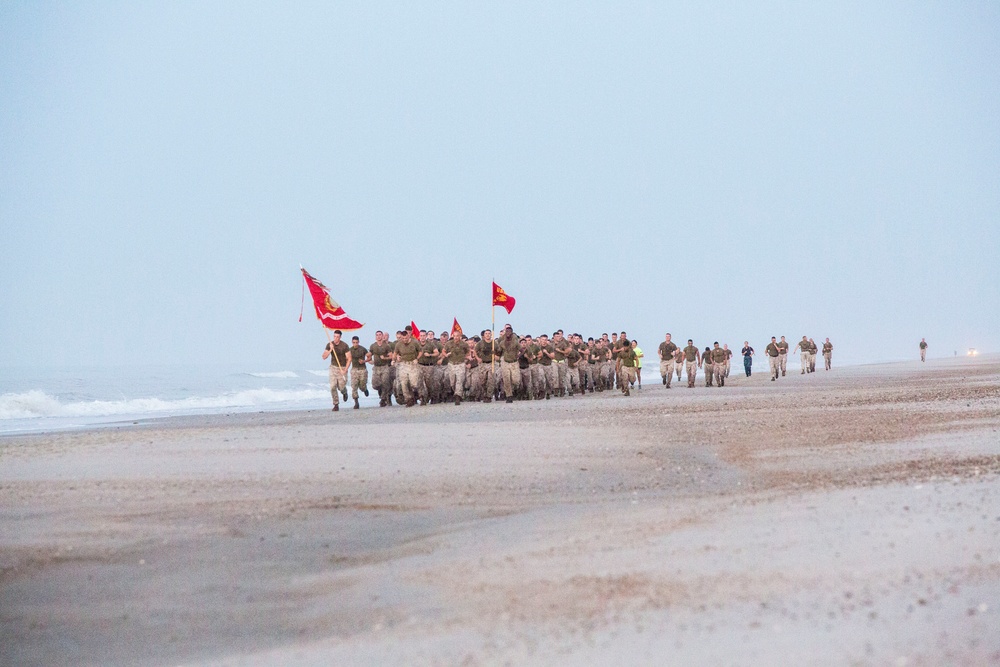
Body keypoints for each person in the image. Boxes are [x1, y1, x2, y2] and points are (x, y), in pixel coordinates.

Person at [322, 330, 351, 411]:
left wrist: (345, 370)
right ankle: (336, 404)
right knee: (332, 386)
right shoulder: (330, 344)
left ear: (340, 337)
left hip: (342, 367)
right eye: (334, 336)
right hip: (333, 367)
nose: (335, 338)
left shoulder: (344, 346)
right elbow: (324, 357)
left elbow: (349, 358)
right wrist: (331, 349)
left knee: (341, 387)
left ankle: (344, 392)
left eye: (337, 337)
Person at [393, 326, 422, 407]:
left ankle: (415, 394)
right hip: (403, 364)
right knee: (403, 383)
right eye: (403, 338)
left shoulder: (414, 342)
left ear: (409, 336)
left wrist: (417, 358)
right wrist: (394, 359)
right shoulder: (399, 344)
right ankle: (408, 399)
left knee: (414, 384)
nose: (404, 340)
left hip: (412, 364)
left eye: (406, 338)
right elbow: (395, 353)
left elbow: (420, 351)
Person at [369, 331, 396, 407]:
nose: (378, 336)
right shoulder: (373, 346)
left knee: (385, 383)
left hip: (385, 367)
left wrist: (385, 358)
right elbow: (370, 354)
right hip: (376, 367)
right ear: (375, 337)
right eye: (377, 335)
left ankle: (383, 399)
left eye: (380, 335)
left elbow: (391, 356)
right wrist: (368, 359)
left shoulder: (386, 346)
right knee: (375, 385)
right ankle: (381, 392)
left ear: (382, 336)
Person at [496, 324, 521, 403]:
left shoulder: (515, 341)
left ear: (512, 332)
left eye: (509, 331)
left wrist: (518, 355)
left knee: (516, 380)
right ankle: (509, 396)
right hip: (505, 361)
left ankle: (514, 390)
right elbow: (499, 352)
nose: (508, 333)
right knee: (506, 379)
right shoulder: (502, 342)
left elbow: (522, 350)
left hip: (514, 362)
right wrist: (495, 353)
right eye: (507, 331)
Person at [443, 331, 470, 405]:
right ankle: (456, 392)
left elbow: (468, 351)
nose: (456, 337)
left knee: (459, 380)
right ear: (452, 336)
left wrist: (466, 358)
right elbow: (443, 351)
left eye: (457, 336)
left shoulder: (464, 344)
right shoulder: (449, 343)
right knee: (452, 382)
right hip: (451, 364)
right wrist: (446, 355)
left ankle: (457, 396)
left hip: (460, 364)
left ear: (460, 336)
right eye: (454, 336)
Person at [473, 330, 496, 402]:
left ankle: (489, 396)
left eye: (489, 333)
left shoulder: (494, 343)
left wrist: (495, 354)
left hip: (491, 363)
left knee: (491, 380)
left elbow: (499, 350)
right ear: (484, 335)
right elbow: (475, 351)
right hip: (483, 363)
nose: (488, 335)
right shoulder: (480, 343)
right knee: (483, 380)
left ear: (491, 335)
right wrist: (477, 358)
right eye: (486, 333)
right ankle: (484, 393)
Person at [348, 336, 370, 409]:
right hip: (354, 369)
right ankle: (356, 402)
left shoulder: (362, 349)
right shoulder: (350, 350)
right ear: (352, 342)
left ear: (358, 342)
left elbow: (369, 357)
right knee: (354, 386)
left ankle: (365, 389)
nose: (355, 344)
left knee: (362, 385)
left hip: (362, 369)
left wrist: (364, 361)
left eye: (356, 342)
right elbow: (347, 358)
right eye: (354, 342)